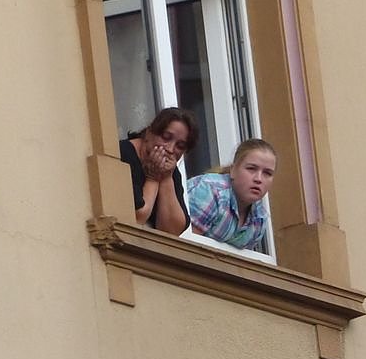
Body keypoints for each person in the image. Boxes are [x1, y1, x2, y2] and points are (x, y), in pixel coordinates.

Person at [186, 139, 277, 251]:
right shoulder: (210, 191)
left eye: (267, 173)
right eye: (251, 169)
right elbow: (186, 247)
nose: (258, 179)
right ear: (233, 170)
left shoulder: (259, 219)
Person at [118, 107, 198, 235]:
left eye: (180, 146)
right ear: (149, 133)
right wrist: (153, 178)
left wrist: (166, 178)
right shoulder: (122, 153)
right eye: (166, 137)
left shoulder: (171, 171)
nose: (170, 149)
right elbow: (137, 217)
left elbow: (172, 231)